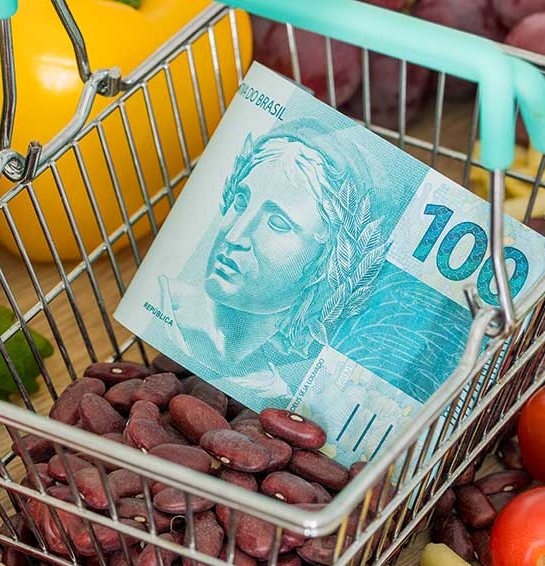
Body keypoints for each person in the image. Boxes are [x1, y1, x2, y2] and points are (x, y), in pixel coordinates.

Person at [157, 121, 390, 398]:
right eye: (241, 200)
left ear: (326, 262)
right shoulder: (160, 305)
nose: (235, 235)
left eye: (278, 223)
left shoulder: (277, 391)